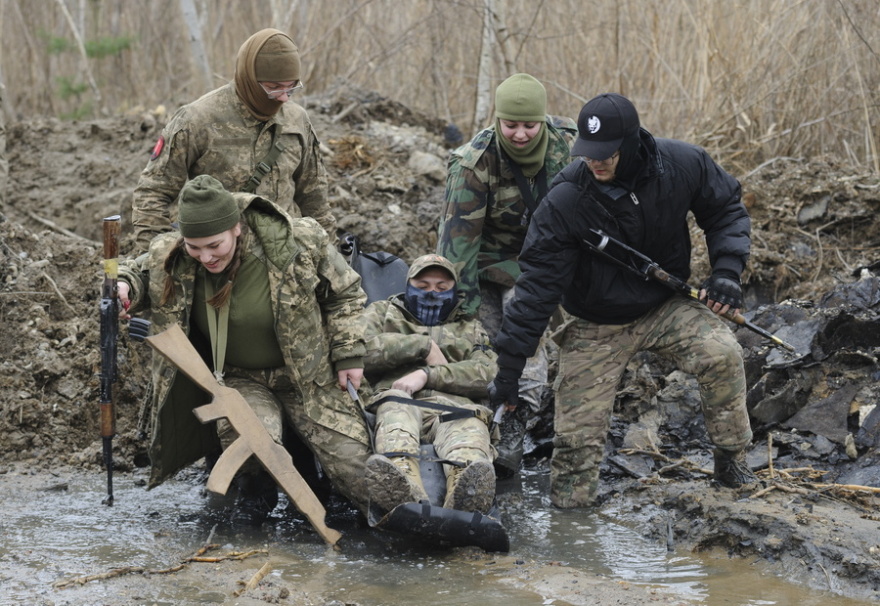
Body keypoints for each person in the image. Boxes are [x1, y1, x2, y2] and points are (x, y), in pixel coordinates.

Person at [488, 92, 758, 508]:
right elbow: (536, 291)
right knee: (575, 448)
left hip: (665, 306)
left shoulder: (683, 164)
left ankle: (732, 461)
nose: (595, 163)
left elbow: (725, 210)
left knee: (722, 354)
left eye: (607, 154)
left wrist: (726, 272)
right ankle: (572, 533)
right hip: (595, 323)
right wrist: (508, 370)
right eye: (588, 153)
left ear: (631, 143)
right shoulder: (564, 201)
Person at [118, 174, 370, 524]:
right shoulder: (175, 256)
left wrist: (349, 354)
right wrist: (123, 285)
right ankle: (254, 496)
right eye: (195, 246)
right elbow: (139, 273)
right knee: (252, 443)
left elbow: (345, 295)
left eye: (215, 245)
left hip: (310, 378)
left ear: (236, 228)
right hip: (241, 378)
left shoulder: (298, 242)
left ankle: (372, 504)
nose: (205, 256)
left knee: (357, 468)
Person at [436, 73, 577, 478]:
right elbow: (456, 248)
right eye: (509, 125)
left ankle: (516, 422)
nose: (519, 134)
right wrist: (460, 312)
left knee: (524, 330)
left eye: (529, 125)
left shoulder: (569, 147)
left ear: (543, 121)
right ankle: (474, 424)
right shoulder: (473, 164)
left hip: (541, 261)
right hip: (482, 260)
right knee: (481, 338)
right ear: (495, 120)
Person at [131, 28, 335, 255]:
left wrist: (329, 258)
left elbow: (315, 197)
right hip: (219, 262)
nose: (284, 97)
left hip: (286, 262)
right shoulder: (197, 120)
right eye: (274, 88)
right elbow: (152, 193)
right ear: (249, 79)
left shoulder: (297, 120)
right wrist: (158, 262)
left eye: (291, 87)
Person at [361, 254, 497, 514]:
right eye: (422, 287)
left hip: (454, 406)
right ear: (408, 285)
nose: (432, 293)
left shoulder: (470, 327)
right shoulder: (381, 313)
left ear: (454, 291)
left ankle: (466, 497)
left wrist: (428, 374)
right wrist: (421, 345)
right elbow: (357, 350)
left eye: (441, 288)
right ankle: (403, 491)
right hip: (398, 400)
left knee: (469, 432)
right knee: (396, 423)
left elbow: (489, 373)